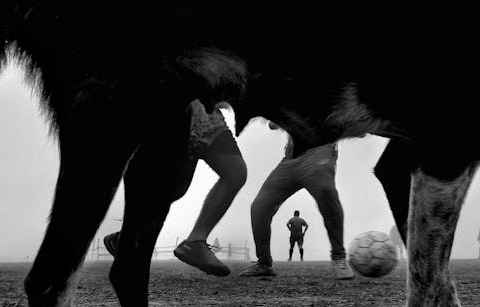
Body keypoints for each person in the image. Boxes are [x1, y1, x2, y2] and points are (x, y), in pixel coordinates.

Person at [103, 99, 246, 276]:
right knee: (175, 189)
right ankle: (128, 236)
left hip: (211, 115)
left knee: (236, 173)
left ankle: (195, 242)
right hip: (180, 111)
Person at [240, 131, 354, 279]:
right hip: (290, 158)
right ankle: (263, 263)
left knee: (325, 190)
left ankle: (339, 257)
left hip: (319, 152)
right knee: (259, 207)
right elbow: (273, 124)